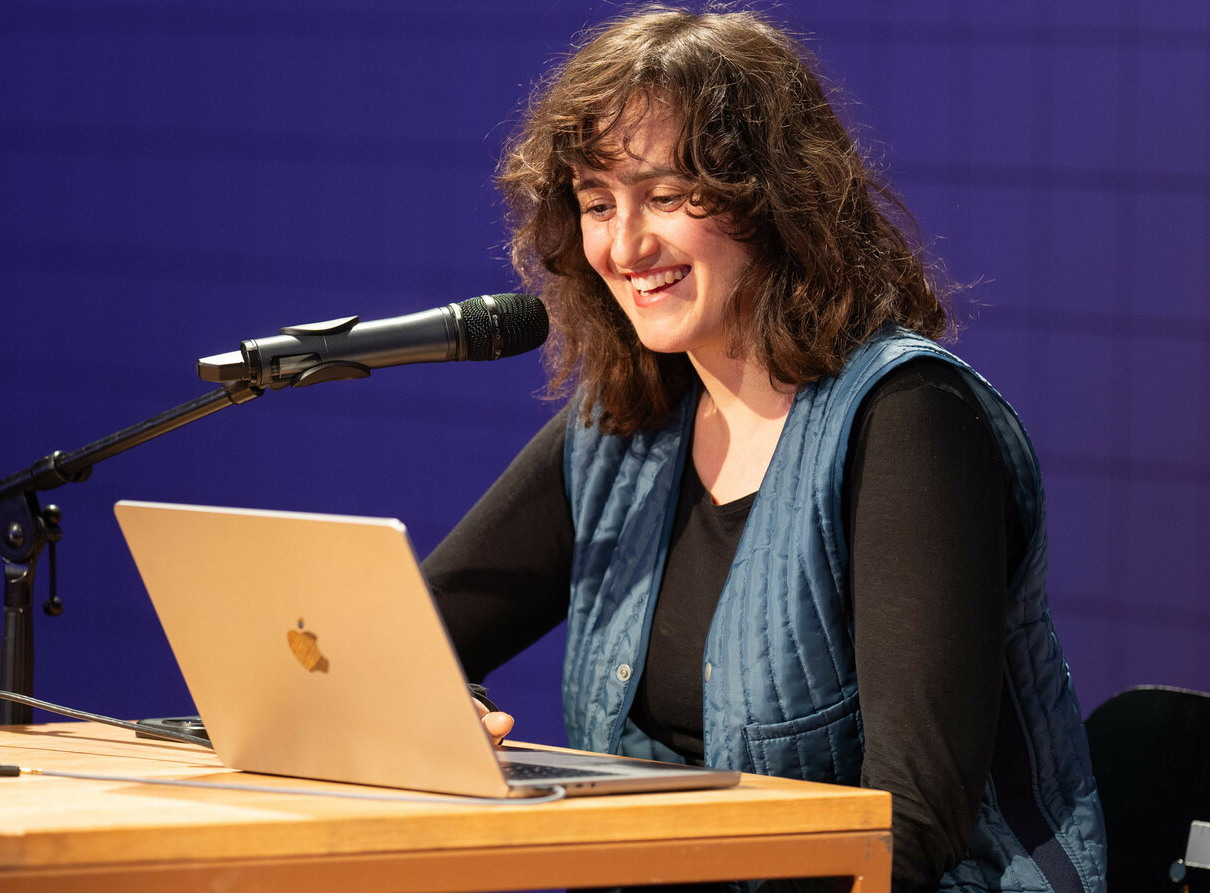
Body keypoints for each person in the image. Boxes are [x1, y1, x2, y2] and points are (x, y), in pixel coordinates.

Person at [424, 7, 1106, 892]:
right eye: (598, 204)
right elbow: (403, 645)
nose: (625, 246)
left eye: (666, 196)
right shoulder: (622, 427)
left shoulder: (907, 416)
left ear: (771, 196)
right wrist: (436, 718)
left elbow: (909, 823)